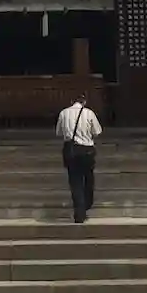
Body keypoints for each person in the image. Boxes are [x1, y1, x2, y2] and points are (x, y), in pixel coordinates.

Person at [55, 91, 103, 223]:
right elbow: (97, 131)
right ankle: (87, 203)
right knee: (88, 178)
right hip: (87, 150)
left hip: (71, 150)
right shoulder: (89, 113)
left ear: (72, 101)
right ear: (84, 102)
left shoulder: (64, 113)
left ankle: (79, 213)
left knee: (75, 181)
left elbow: (59, 132)